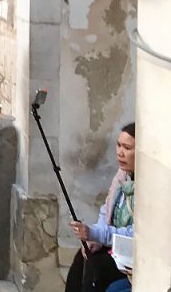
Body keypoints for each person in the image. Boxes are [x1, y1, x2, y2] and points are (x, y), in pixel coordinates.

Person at [65, 123, 136, 292]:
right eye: (118, 145)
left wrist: (96, 234)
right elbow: (107, 209)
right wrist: (94, 237)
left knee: (97, 267)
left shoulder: (149, 186)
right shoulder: (122, 176)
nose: (120, 153)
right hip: (113, 246)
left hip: (132, 253)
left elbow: (136, 232)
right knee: (83, 257)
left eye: (127, 148)